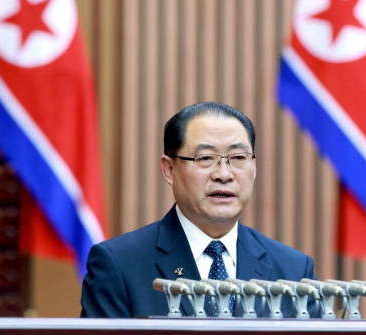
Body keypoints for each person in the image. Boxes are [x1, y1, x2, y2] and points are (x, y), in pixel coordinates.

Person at [80, 102, 316, 318]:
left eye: (238, 157)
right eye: (205, 158)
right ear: (169, 170)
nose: (224, 174)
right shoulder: (119, 265)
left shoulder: (294, 270)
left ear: (253, 166)